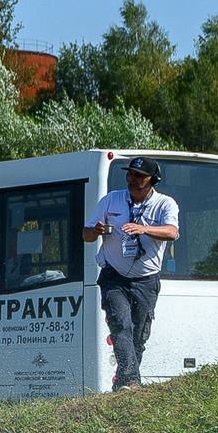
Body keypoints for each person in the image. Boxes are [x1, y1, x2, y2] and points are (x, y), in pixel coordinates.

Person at [83, 156, 181, 390]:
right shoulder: (111, 200)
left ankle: (123, 384)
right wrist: (95, 232)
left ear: (152, 180)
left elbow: (172, 232)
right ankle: (131, 381)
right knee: (120, 325)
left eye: (139, 176)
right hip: (113, 275)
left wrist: (143, 229)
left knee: (139, 335)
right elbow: (86, 235)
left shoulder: (165, 204)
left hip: (146, 279)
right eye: (130, 174)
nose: (132, 179)